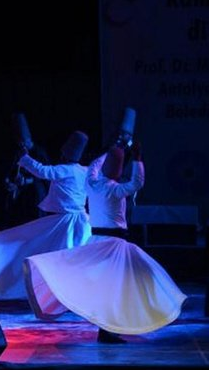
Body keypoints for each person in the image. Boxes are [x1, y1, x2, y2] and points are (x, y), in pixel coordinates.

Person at [23, 145, 187, 343]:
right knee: (124, 284)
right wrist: (137, 159)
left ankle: (108, 327)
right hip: (113, 245)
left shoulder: (92, 183)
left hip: (97, 242)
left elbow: (93, 168)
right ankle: (109, 328)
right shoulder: (116, 190)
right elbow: (137, 182)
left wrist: (107, 153)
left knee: (108, 286)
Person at [0, 131, 92, 299]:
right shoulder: (85, 171)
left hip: (66, 223)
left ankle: (60, 294)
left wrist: (25, 158)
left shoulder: (65, 170)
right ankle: (68, 294)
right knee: (72, 259)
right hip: (82, 222)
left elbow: (43, 171)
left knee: (52, 254)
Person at [2, 112, 50, 227]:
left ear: (29, 140)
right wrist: (9, 182)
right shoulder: (17, 152)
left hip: (36, 195)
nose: (22, 145)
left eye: (24, 142)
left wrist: (27, 181)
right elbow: (10, 171)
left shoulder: (39, 152)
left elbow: (46, 175)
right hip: (21, 197)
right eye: (19, 142)